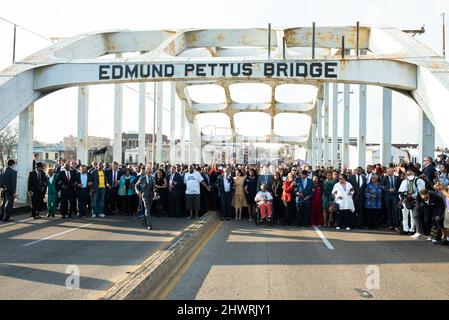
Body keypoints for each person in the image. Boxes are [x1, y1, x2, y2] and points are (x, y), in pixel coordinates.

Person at [398, 169, 426, 239]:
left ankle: (419, 232)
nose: (409, 175)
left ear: (414, 173)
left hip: (419, 200)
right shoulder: (408, 181)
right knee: (414, 216)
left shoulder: (419, 181)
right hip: (410, 200)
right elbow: (407, 190)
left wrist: (412, 196)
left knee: (415, 216)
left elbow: (421, 192)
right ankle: (419, 232)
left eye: (410, 174)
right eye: (407, 174)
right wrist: (403, 198)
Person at [381, 167, 401, 232]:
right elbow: (381, 186)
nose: (388, 172)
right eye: (387, 171)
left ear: (393, 171)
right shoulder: (384, 178)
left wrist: (397, 192)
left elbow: (400, 186)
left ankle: (396, 226)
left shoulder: (397, 178)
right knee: (388, 211)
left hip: (395, 196)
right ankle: (390, 225)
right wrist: (388, 189)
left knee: (395, 211)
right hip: (387, 196)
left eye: (390, 171)